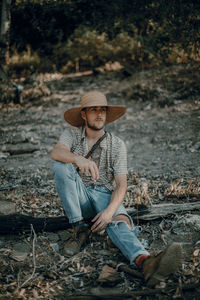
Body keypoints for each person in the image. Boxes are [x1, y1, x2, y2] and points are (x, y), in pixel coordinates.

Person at [50, 90, 182, 287]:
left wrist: (110, 212)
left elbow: (121, 184)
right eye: (93, 110)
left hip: (105, 195)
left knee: (119, 222)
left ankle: (145, 262)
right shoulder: (72, 134)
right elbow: (56, 152)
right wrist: (77, 158)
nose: (99, 114)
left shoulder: (117, 144)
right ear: (84, 114)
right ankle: (79, 228)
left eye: (102, 109)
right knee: (60, 165)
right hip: (80, 197)